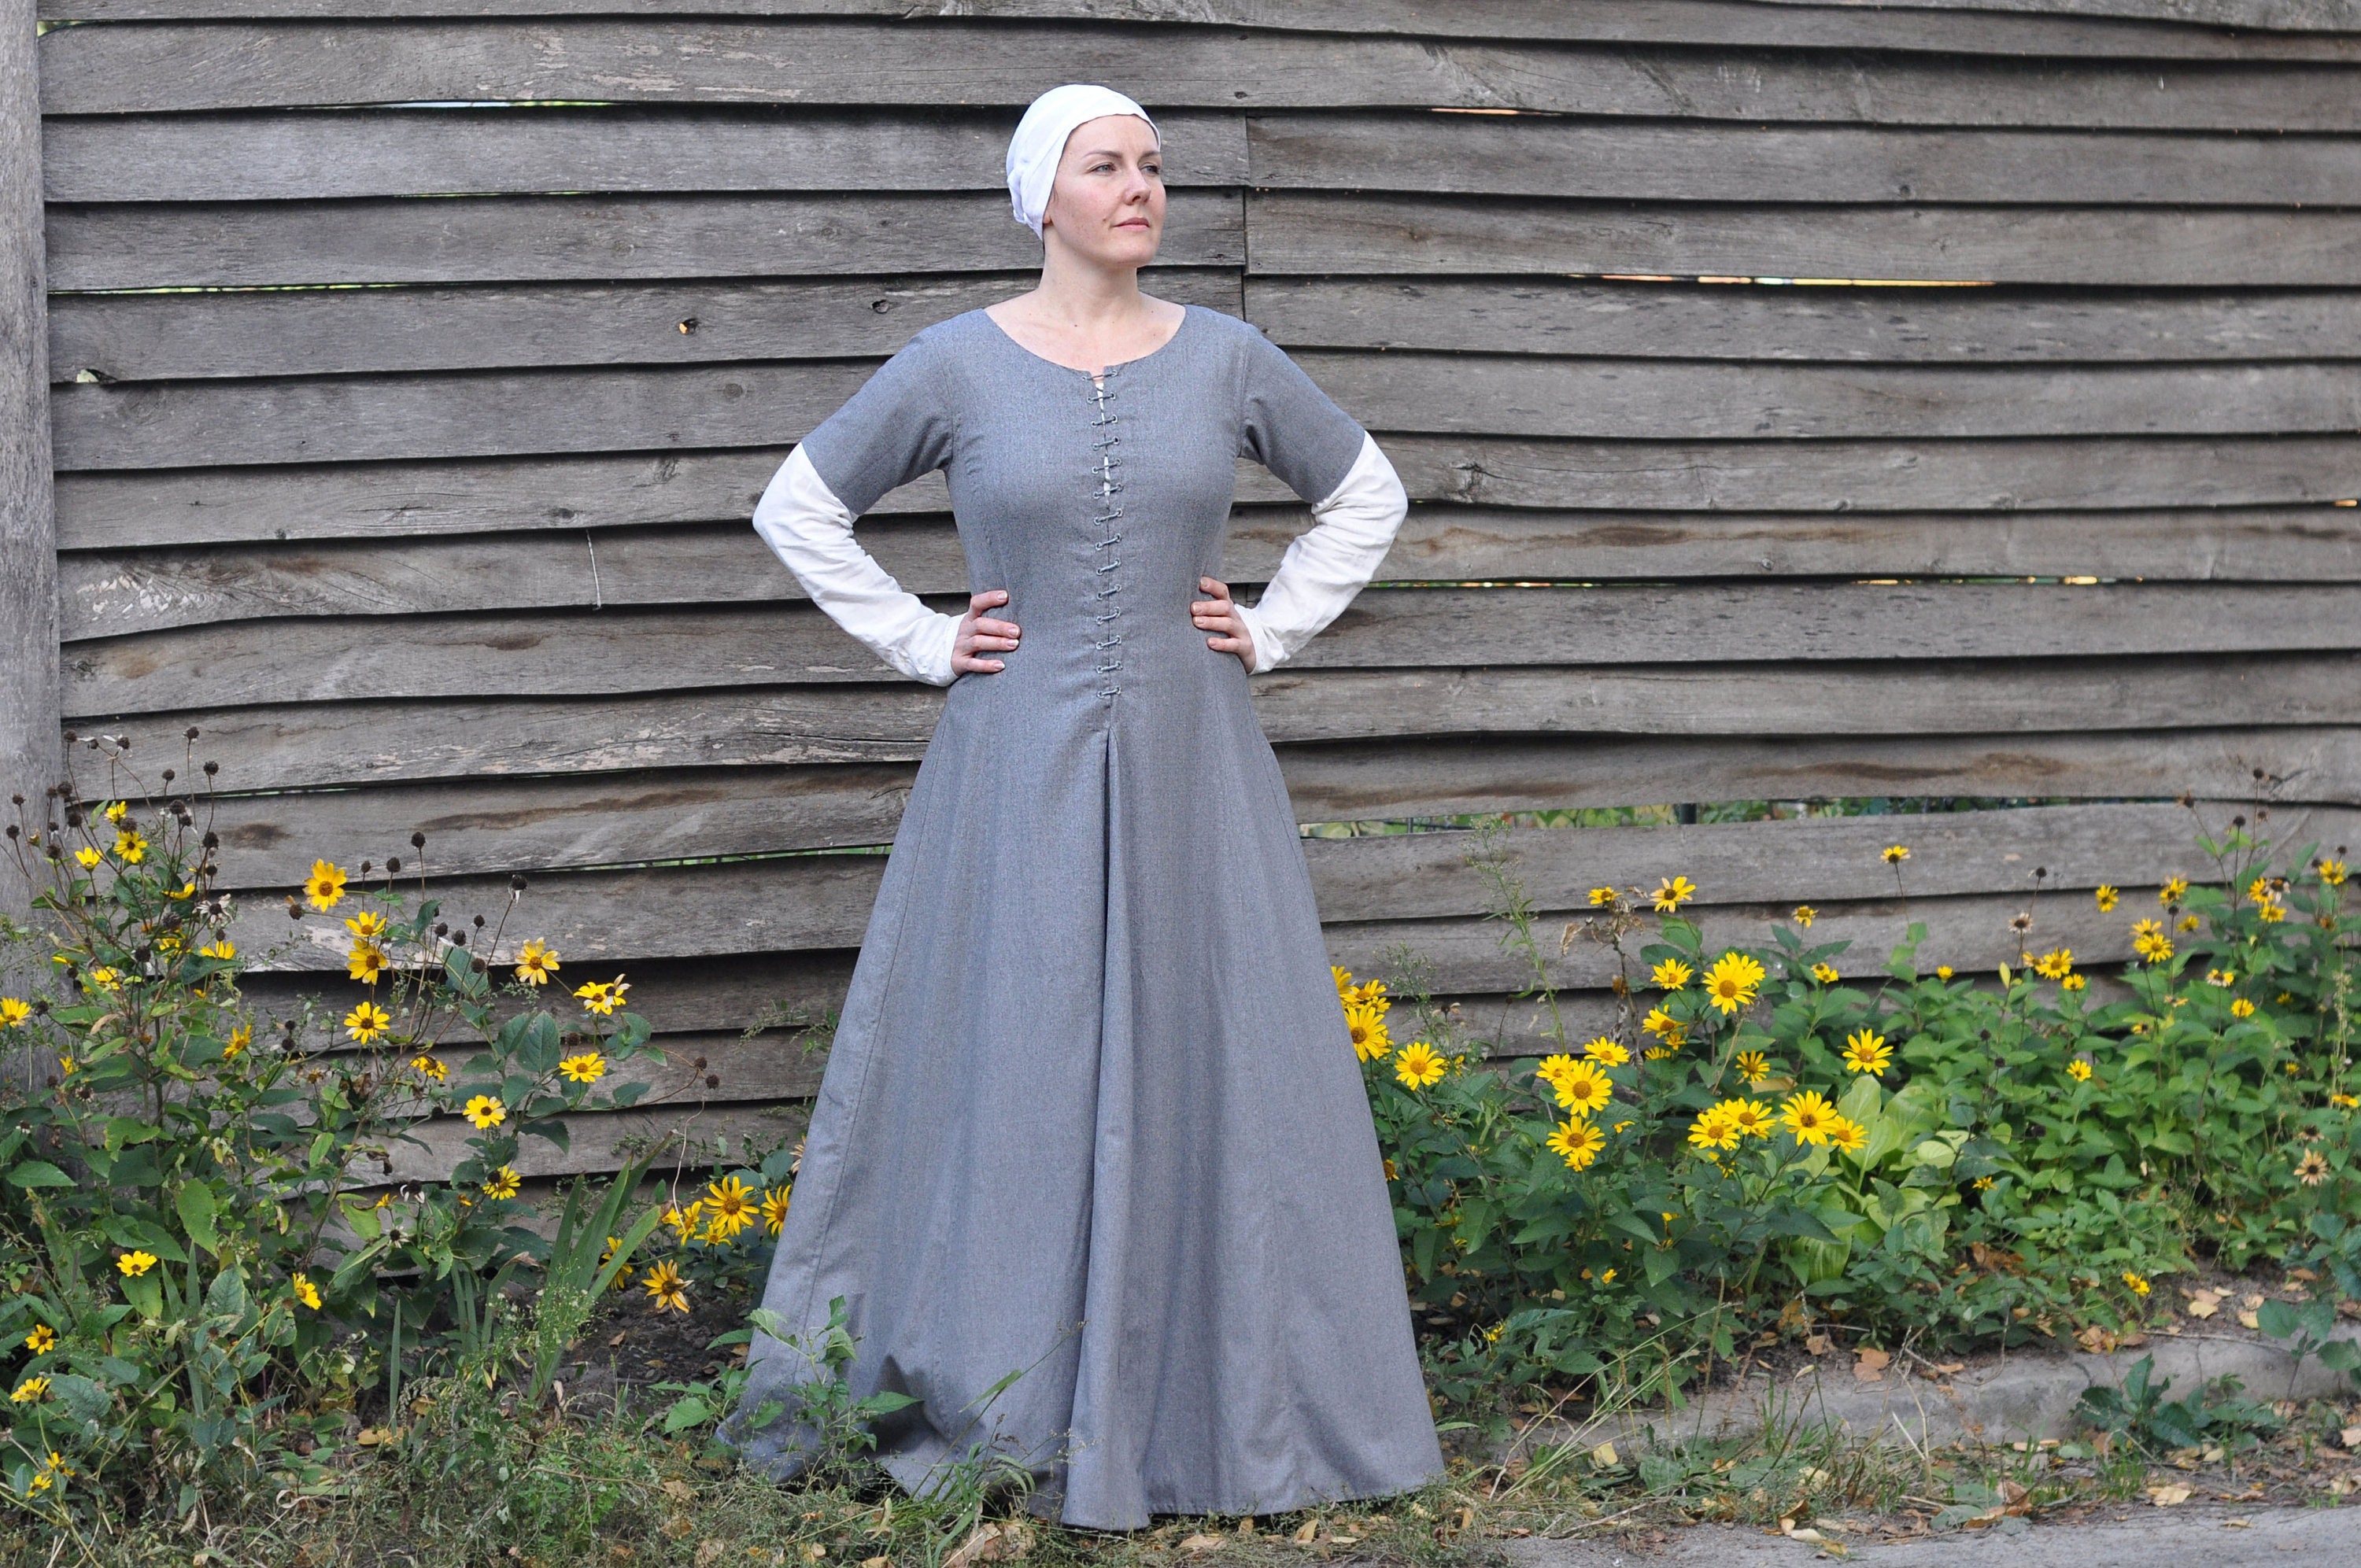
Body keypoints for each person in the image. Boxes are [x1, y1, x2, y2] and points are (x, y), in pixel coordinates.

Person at [729, 83, 1443, 1529]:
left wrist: (1272, 626)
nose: (1140, 187)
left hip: (1193, 764)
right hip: (1013, 767)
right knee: (1012, 1053)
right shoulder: (954, 364)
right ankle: (999, 1399)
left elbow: (1367, 492)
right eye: (1106, 165)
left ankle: (1216, 1415)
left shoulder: (1228, 357)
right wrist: (924, 640)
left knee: (1215, 1051)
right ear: (1039, 197)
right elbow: (797, 504)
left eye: (1153, 165)